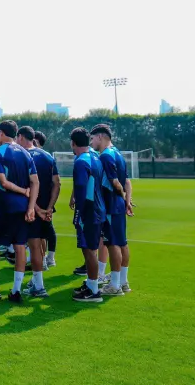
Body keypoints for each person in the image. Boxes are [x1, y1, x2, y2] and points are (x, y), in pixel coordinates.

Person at [0, 120, 39, 304]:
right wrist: (31, 207)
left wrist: (22, 191)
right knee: (20, 245)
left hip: (5, 205)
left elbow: (3, 182)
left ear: (0, 133)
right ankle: (16, 291)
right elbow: (35, 182)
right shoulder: (26, 153)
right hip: (23, 207)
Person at [16, 126, 60, 298]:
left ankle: (39, 286)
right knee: (40, 244)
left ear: (20, 137)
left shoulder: (22, 156)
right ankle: (36, 282)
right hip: (44, 208)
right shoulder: (47, 156)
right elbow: (57, 183)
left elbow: (27, 188)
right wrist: (49, 208)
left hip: (30, 209)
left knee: (33, 246)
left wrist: (36, 209)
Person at [90, 124, 132, 295]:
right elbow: (127, 181)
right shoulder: (118, 153)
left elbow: (115, 183)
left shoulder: (106, 156)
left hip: (110, 206)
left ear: (100, 136)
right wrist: (126, 201)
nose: (91, 142)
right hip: (118, 205)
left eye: (92, 138)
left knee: (112, 243)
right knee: (122, 242)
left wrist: (121, 198)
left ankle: (114, 285)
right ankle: (123, 282)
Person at [70, 127, 106, 302]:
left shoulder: (80, 162)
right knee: (92, 249)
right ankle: (91, 284)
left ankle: (93, 291)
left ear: (73, 143)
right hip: (98, 209)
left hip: (88, 212)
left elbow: (82, 190)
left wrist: (79, 214)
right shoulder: (95, 157)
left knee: (89, 250)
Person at [33, 130, 59, 267]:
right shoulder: (48, 156)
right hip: (47, 200)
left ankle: (44, 260)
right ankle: (46, 259)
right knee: (45, 229)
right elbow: (57, 182)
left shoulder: (34, 156)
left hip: (37, 200)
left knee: (40, 231)